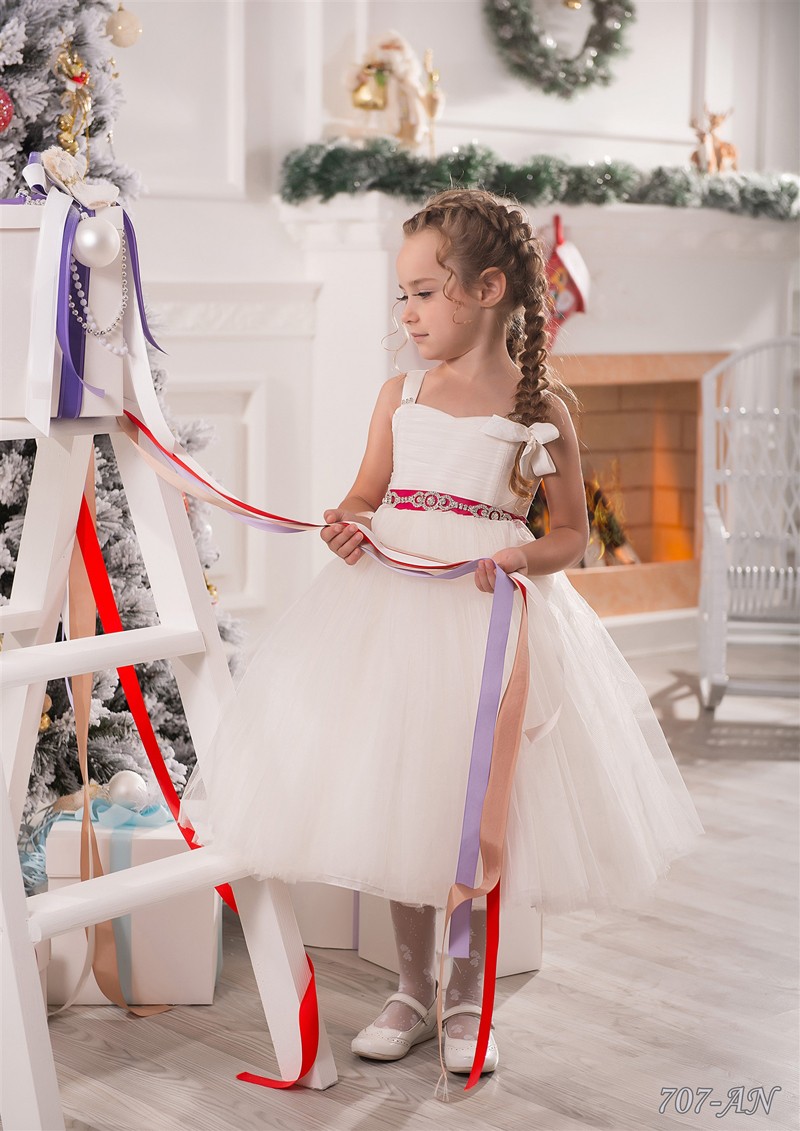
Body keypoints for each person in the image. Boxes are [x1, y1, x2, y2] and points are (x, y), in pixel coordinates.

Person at [181, 187, 705, 1086]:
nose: (408, 312)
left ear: (488, 287)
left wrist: (520, 554)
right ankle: (412, 988)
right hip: (391, 613)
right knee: (401, 796)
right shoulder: (402, 395)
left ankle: (470, 993)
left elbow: (572, 533)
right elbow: (362, 498)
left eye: (425, 291)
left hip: (482, 620)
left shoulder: (543, 412)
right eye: (402, 295)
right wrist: (347, 526)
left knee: (469, 806)